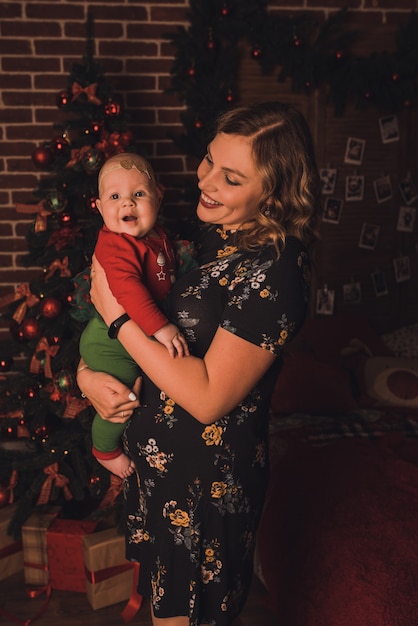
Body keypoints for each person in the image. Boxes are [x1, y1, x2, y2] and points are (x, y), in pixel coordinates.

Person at [77, 102, 321, 626]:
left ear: (273, 193)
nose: (205, 181)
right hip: (163, 478)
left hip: (205, 491)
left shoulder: (278, 269)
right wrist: (88, 377)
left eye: (230, 177)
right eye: (208, 160)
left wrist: (117, 317)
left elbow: (209, 399)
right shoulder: (214, 235)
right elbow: (159, 333)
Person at [79, 152, 190, 479]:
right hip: (109, 342)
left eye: (138, 194)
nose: (127, 204)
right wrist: (163, 327)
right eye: (114, 197)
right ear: (99, 207)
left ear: (158, 195)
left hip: (129, 334)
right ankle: (105, 449)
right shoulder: (116, 245)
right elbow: (128, 290)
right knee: (121, 400)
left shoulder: (155, 235)